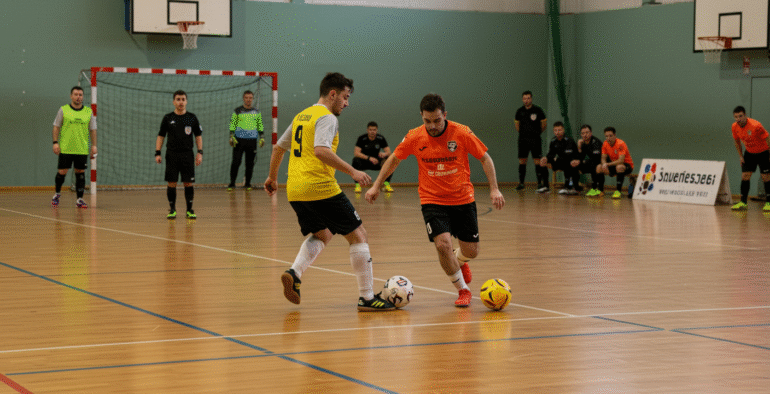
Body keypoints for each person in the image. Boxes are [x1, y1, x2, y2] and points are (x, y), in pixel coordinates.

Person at [264, 72, 395, 312]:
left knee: (323, 234)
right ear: (332, 94)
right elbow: (321, 151)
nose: (347, 103)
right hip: (320, 187)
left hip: (295, 189)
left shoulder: (302, 115)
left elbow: (278, 147)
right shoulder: (327, 118)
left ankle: (295, 272)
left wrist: (273, 177)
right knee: (359, 236)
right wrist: (353, 172)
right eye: (345, 97)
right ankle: (366, 297)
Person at [365, 93, 505, 307]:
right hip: (432, 200)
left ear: (445, 115)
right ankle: (463, 290)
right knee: (442, 245)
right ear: (421, 116)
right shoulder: (414, 136)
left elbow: (485, 158)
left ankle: (460, 260)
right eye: (427, 121)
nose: (432, 126)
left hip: (462, 198)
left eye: (437, 120)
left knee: (472, 251)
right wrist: (376, 186)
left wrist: (494, 189)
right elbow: (394, 159)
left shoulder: (461, 132)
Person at [155, 90, 203, 219]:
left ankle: (189, 209)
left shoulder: (192, 118)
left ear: (186, 101)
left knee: (188, 182)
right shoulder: (167, 118)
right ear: (173, 102)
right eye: (178, 99)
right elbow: (161, 136)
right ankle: (172, 209)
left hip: (187, 154)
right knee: (172, 182)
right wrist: (157, 152)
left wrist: (200, 153)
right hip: (171, 154)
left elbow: (198, 136)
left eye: (183, 99)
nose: (180, 102)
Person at [51, 86, 97, 208]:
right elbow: (56, 126)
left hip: (81, 149)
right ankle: (57, 194)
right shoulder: (63, 110)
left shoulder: (88, 112)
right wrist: (55, 142)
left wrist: (94, 146)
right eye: (76, 94)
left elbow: (93, 129)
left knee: (80, 173)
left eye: (80, 95)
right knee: (62, 172)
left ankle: (80, 199)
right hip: (66, 148)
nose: (78, 97)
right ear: (71, 96)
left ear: (83, 96)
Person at [730, 106, 770, 211]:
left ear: (745, 115)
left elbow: (767, 138)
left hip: (763, 153)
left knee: (766, 177)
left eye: (740, 116)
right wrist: (740, 156)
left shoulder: (756, 125)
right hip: (749, 153)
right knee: (745, 176)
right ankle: (743, 202)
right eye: (736, 117)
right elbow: (736, 141)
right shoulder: (734, 127)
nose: (738, 119)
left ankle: (769, 203)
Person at [227, 90, 265, 191]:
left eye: (250, 98)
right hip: (238, 140)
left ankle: (247, 184)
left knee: (250, 163)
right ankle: (232, 184)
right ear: (243, 98)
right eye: (246, 98)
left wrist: (262, 137)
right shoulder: (237, 110)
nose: (248, 100)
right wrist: (231, 136)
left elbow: (259, 125)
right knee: (235, 162)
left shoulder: (257, 112)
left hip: (252, 141)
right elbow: (232, 124)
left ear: (252, 99)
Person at [514, 90, 548, 192]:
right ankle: (521, 183)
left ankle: (539, 183)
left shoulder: (538, 110)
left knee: (537, 161)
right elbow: (517, 126)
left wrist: (535, 133)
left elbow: (544, 125)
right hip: (523, 140)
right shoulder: (519, 111)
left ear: (531, 99)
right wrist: (525, 133)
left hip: (535, 140)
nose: (526, 100)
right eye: (524, 98)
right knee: (522, 161)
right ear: (522, 99)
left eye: (528, 98)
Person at [538, 121, 579, 195]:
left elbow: (568, 156)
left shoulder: (569, 140)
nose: (557, 132)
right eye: (555, 130)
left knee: (567, 163)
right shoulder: (553, 141)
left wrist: (556, 159)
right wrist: (546, 158)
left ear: (563, 130)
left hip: (571, 162)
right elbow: (551, 154)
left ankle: (568, 187)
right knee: (543, 162)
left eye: (559, 130)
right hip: (560, 161)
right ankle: (546, 186)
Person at [352, 121, 394, 193]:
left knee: (390, 160)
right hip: (364, 162)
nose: (372, 131)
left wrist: (384, 154)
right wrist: (369, 158)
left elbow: (389, 152)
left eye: (374, 130)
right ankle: (358, 186)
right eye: (370, 130)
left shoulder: (380, 138)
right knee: (355, 160)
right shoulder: (362, 138)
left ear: (377, 130)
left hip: (376, 162)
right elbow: (356, 153)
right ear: (367, 130)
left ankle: (386, 185)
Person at [597, 126, 633, 199]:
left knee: (619, 167)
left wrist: (608, 164)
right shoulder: (605, 144)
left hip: (627, 166)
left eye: (610, 136)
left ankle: (618, 191)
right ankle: (600, 190)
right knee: (599, 167)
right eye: (606, 136)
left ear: (615, 135)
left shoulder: (621, 143)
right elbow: (603, 157)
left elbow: (621, 160)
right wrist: (604, 164)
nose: (608, 138)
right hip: (614, 164)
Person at [576, 124, 605, 197]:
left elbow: (597, 159)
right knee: (575, 165)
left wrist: (584, 162)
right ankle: (576, 188)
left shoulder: (596, 142)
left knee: (595, 166)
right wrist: (579, 148)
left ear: (591, 133)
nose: (585, 135)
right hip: (592, 162)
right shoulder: (583, 143)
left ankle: (599, 189)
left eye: (587, 132)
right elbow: (580, 158)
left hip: (602, 162)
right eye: (583, 133)